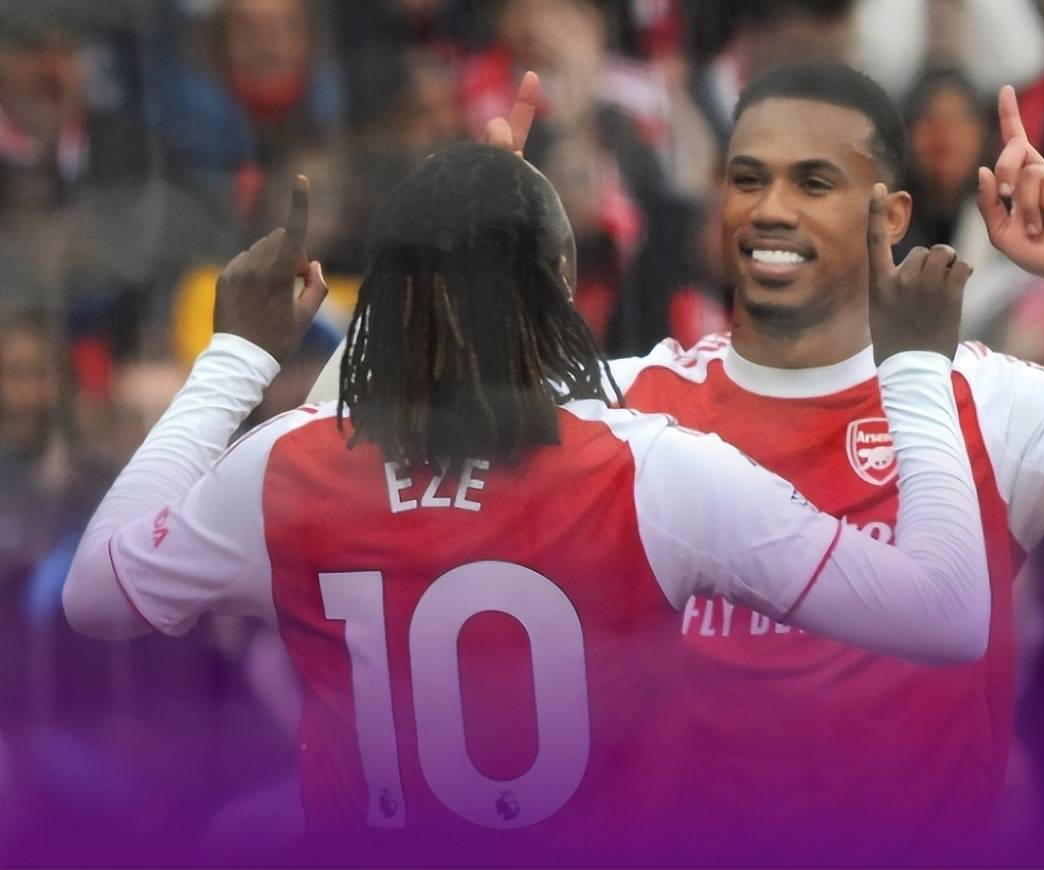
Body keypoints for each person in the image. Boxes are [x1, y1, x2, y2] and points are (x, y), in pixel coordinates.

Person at [340, 62, 1044, 864]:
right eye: (747, 179)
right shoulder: (621, 402)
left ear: (892, 212)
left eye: (814, 181)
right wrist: (451, 259)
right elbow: (361, 435)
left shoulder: (992, 402)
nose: (771, 209)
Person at [63, 146, 994, 864]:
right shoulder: (654, 473)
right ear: (562, 287)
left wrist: (235, 355)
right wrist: (915, 365)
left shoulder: (284, 468)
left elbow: (94, 595)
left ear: (382, 298)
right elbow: (947, 615)